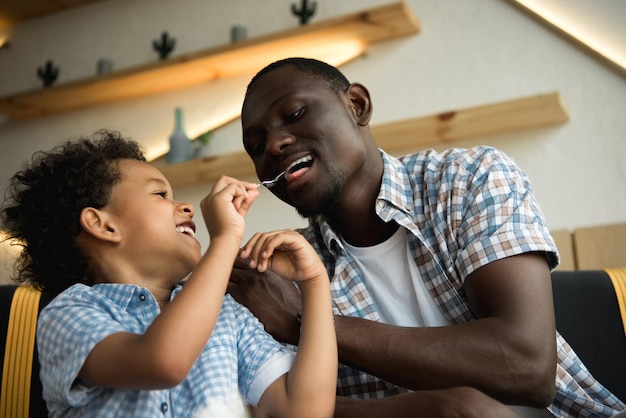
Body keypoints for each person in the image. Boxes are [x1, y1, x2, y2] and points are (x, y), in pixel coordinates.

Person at [228, 57, 626, 418]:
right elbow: (277, 409)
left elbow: (527, 366)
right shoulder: (281, 269)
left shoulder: (470, 179)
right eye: (257, 146)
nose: (276, 146)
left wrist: (306, 322)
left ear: (358, 106)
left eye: (294, 114)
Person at [0, 130, 337, 418]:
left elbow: (304, 409)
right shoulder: (70, 314)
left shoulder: (226, 315)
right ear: (102, 224)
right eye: (161, 194)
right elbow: (163, 361)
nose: (186, 207)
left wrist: (314, 283)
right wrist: (224, 239)